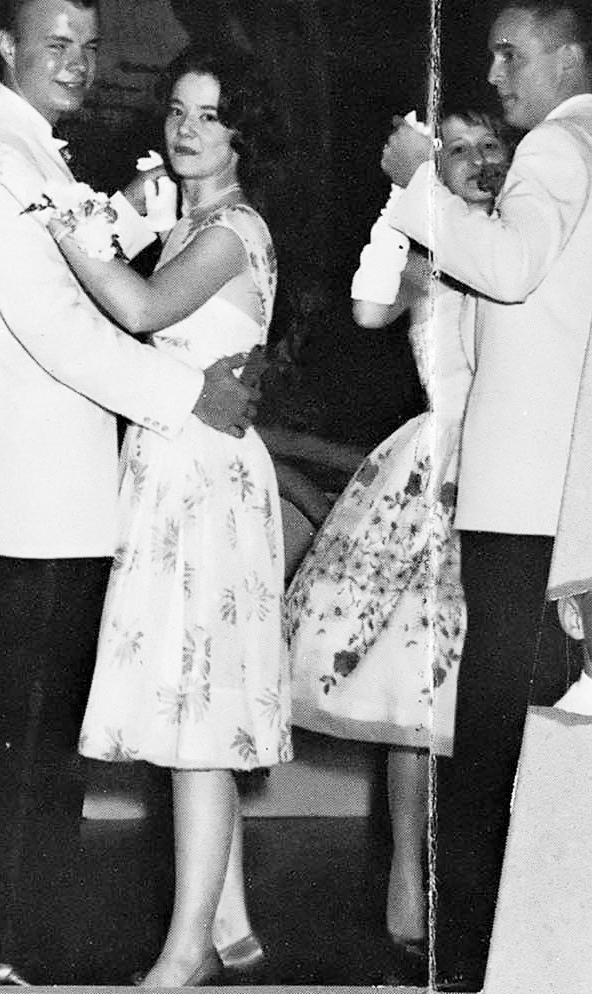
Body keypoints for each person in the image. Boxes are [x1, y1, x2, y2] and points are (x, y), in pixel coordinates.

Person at [0, 0, 260, 985]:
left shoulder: (24, 155)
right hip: (36, 497)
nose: (79, 64)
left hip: (31, 493)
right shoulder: (0, 163)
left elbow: (81, 258)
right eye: (57, 44)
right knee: (28, 742)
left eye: (89, 46)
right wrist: (188, 394)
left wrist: (134, 213)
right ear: (7, 47)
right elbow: (57, 326)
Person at [47, 44, 286, 988]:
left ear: (242, 133)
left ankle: (186, 954)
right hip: (173, 469)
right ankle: (229, 920)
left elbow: (141, 312)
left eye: (210, 115)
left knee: (198, 720)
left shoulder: (233, 230)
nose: (187, 129)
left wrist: (73, 227)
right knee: (189, 706)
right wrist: (132, 215)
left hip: (206, 482)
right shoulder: (191, 222)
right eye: (179, 111)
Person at [380, 0, 592, 990]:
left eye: (513, 55)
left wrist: (420, 185)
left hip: (522, 503)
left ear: (568, 59)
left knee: (497, 746)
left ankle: (466, 964)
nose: (496, 73)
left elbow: (508, 268)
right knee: (539, 736)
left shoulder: (557, 147)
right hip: (560, 497)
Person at [286, 107, 512, 963]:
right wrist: (397, 205)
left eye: (490, 145)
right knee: (410, 690)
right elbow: (367, 308)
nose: (477, 161)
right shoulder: (427, 260)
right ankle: (409, 882)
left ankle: (490, 883)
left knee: (485, 688)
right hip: (431, 472)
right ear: (433, 167)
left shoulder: (516, 246)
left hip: (506, 465)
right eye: (456, 150)